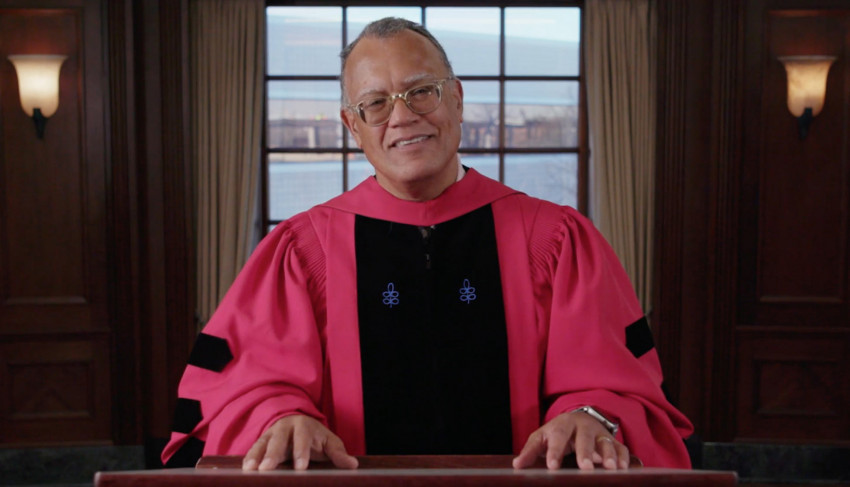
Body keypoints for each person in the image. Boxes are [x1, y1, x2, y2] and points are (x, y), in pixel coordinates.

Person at [161, 17, 693, 472]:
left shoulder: (553, 238)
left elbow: (615, 382)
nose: (402, 116)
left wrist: (590, 415)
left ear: (457, 99)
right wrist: (282, 418)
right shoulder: (304, 250)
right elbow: (240, 387)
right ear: (353, 126)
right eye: (375, 102)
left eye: (421, 91)